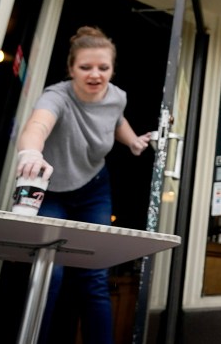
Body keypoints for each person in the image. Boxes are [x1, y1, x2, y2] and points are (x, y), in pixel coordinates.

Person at [16, 26, 152, 344]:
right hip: (51, 192)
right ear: (71, 69)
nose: (95, 75)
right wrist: (31, 152)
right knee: (51, 273)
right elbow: (37, 124)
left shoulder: (118, 96)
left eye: (103, 68)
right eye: (85, 67)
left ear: (112, 69)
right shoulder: (57, 96)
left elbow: (117, 120)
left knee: (95, 276)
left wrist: (132, 142)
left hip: (94, 190)